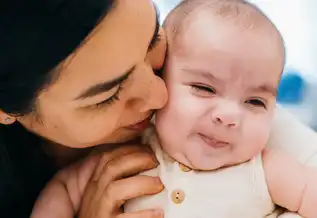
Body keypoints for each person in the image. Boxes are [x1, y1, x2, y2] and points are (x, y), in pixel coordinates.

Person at [1, 0, 316, 218]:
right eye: (108, 94)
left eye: (153, 41)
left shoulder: (265, 145)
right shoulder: (71, 181)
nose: (159, 96)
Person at [123, 1, 317, 217]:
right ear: (160, 79)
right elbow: (77, 196)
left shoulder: (266, 170)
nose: (228, 116)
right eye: (204, 88)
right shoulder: (125, 151)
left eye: (255, 102)